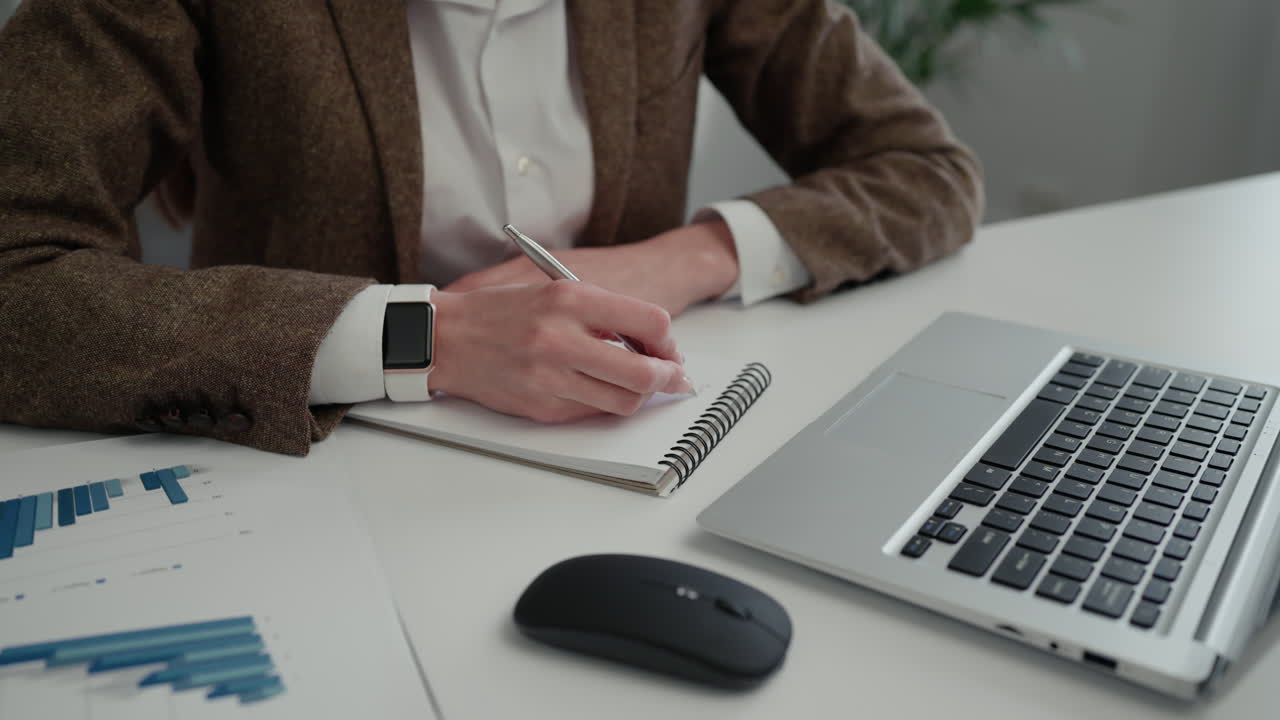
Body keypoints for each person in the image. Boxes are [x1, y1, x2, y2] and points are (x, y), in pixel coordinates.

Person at [0, 0, 982, 456]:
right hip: (295, 483)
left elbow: (926, 171)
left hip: (615, 468)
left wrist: (678, 260)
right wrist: (425, 338)